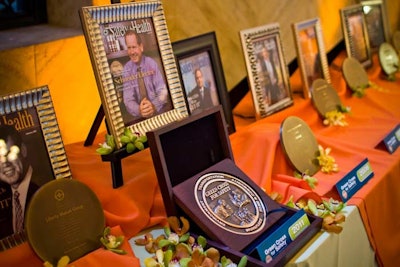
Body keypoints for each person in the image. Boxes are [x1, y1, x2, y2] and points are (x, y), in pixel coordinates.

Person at [122, 30, 171, 123]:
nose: (132, 52)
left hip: (158, 113)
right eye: (129, 48)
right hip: (139, 119)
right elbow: (128, 100)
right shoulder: (126, 69)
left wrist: (153, 105)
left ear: (141, 47)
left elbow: (163, 91)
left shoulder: (151, 63)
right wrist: (139, 110)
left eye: (134, 47)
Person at [0, 125, 39, 239]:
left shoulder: (42, 186)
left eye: (10, 154)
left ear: (23, 150)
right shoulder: (8, 195)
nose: (5, 164)